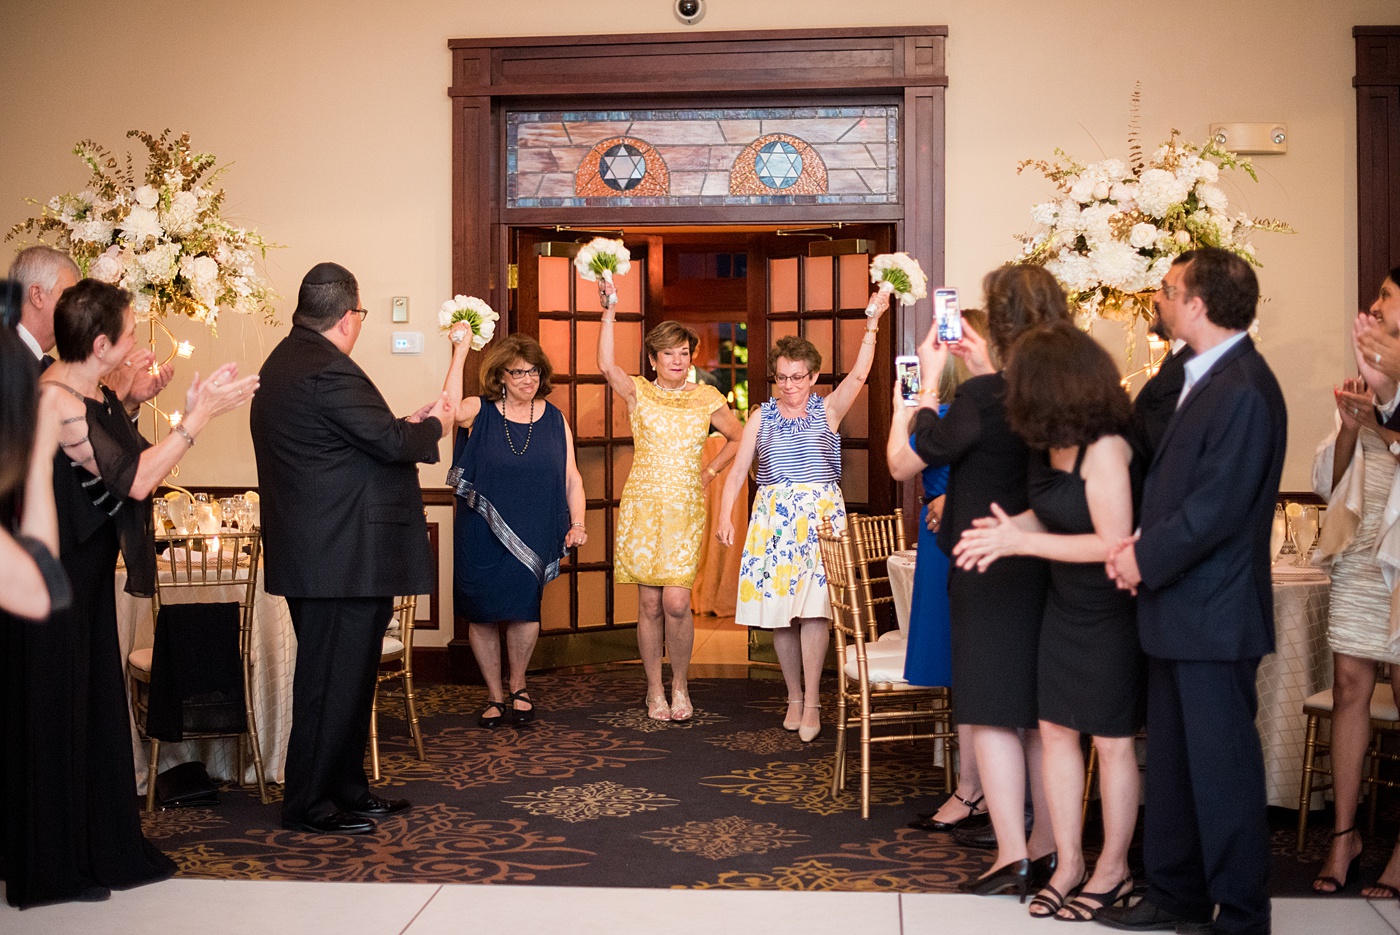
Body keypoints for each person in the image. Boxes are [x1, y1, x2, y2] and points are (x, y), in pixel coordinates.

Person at [2, 278, 253, 907]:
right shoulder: (56, 398)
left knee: (90, 713)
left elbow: (119, 456)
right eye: (133, 333)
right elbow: (135, 480)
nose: (139, 344)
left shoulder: (87, 388)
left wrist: (140, 400)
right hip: (52, 584)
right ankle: (51, 866)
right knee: (57, 719)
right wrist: (198, 417)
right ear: (104, 342)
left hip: (82, 579)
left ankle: (97, 848)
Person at [1100, 248, 1286, 935]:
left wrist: (1140, 558)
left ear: (1198, 304)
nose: (1160, 297)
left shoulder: (1242, 386)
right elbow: (1172, 487)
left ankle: (1240, 913)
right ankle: (1174, 894)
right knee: (1175, 768)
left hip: (1214, 611)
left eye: (1168, 289)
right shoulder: (1193, 374)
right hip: (1181, 608)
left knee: (1222, 772)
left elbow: (1214, 508)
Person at [250, 262, 452, 835]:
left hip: (330, 554)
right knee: (328, 684)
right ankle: (308, 805)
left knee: (347, 681)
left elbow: (351, 442)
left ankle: (346, 789)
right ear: (348, 317)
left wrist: (401, 427)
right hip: (337, 558)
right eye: (361, 315)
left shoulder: (292, 360)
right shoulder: (324, 370)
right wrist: (433, 424)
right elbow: (389, 442)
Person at [887, 264, 1070, 900]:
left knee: (991, 712)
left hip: (986, 568)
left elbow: (913, 451)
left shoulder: (984, 397)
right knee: (1042, 720)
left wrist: (924, 383)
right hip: (1047, 565)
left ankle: (1013, 855)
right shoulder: (1057, 390)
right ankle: (1051, 848)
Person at [955, 322, 1143, 920]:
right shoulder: (1048, 441)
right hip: (1062, 606)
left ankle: (1113, 868)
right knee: (1057, 733)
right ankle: (1068, 862)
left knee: (1111, 745)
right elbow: (1051, 513)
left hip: (1109, 608)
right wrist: (1008, 531)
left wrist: (1019, 543)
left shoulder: (1107, 446)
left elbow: (1112, 544)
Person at [715, 295, 886, 742]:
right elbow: (737, 472)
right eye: (782, 377)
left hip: (820, 522)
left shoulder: (829, 410)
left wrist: (872, 325)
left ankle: (812, 700)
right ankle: (793, 695)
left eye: (798, 377)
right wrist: (725, 516)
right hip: (773, 522)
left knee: (815, 614)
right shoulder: (760, 417)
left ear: (812, 376)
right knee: (780, 617)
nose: (789, 385)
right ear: (774, 376)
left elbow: (861, 374)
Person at [598, 309, 743, 721]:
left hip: (684, 506)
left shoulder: (706, 398)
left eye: (684, 353)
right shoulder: (638, 391)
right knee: (649, 604)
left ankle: (680, 684)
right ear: (652, 359)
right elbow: (607, 365)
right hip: (643, 504)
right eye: (668, 354)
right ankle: (653, 689)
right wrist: (608, 311)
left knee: (677, 602)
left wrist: (711, 472)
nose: (677, 360)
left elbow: (737, 435)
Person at [1308, 268, 1400, 898]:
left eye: (1387, 297)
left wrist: (1384, 415)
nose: (1374, 305)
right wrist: (1349, 425)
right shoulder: (1366, 380)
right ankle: (1344, 835)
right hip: (1363, 554)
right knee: (1348, 688)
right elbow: (1328, 481)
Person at [441, 330, 586, 728]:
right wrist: (459, 351)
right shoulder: (480, 411)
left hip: (535, 528)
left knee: (524, 610)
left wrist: (577, 523)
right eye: (518, 372)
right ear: (499, 375)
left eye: (534, 371)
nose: (528, 379)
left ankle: (518, 685)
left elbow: (571, 477)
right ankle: (494, 694)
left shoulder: (555, 418)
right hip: (480, 529)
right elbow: (448, 408)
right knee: (483, 613)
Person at [888, 307, 988, 836]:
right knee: (963, 674)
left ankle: (975, 790)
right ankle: (973, 787)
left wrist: (904, 405)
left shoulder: (958, 414)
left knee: (971, 674)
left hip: (957, 541)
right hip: (941, 540)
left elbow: (899, 463)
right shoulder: (953, 413)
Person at [9, 246, 173, 404]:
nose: (76, 308)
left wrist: (127, 403)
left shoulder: (51, 365)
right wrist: (113, 398)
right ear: (37, 295)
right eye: (67, 296)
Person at [1129, 311, 1194, 466]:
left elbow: (1157, 440)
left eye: (1166, 290)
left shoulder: (1189, 365)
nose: (1155, 297)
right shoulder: (1180, 358)